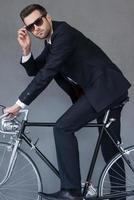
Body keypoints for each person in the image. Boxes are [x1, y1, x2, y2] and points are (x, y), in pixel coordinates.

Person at [4, 4, 131, 200]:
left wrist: (19, 104)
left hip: (106, 89)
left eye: (38, 22)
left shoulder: (64, 35)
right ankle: (119, 196)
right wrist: (26, 50)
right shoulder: (51, 42)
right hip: (103, 92)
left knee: (62, 128)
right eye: (30, 27)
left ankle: (71, 191)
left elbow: (46, 74)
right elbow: (35, 70)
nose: (36, 28)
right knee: (110, 149)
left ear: (48, 17)